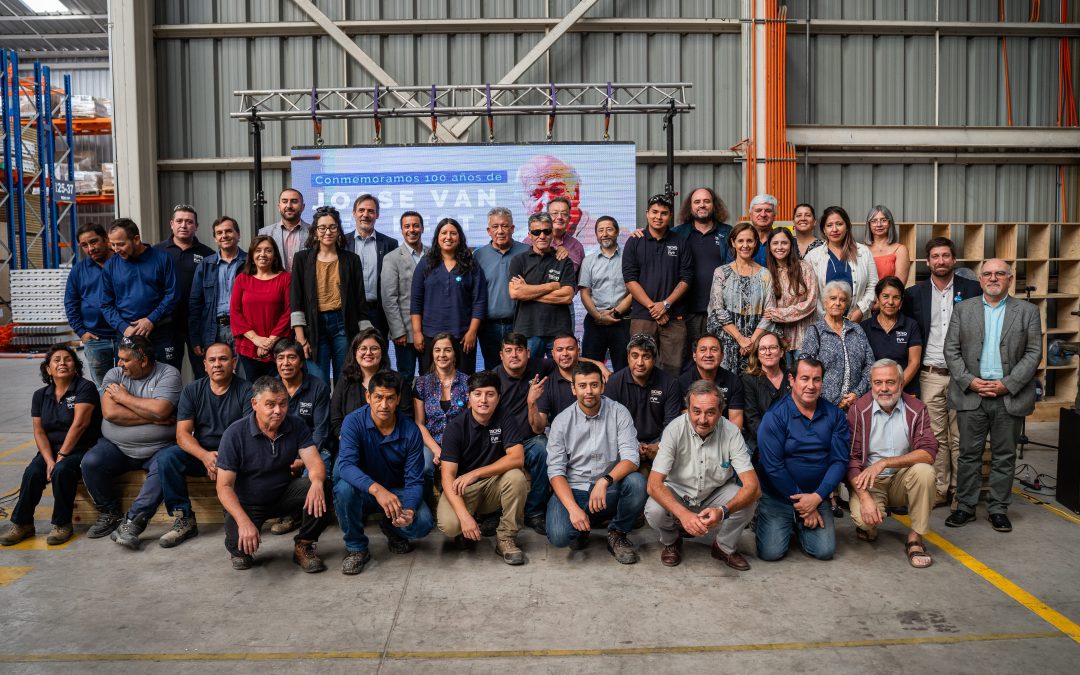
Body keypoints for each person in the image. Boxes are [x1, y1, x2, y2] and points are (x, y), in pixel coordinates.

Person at [944, 259, 1042, 533]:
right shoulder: (963, 310)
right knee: (968, 454)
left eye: (1000, 273)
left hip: (1007, 396)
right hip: (971, 394)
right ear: (980, 279)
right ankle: (965, 506)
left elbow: (1034, 353)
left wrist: (1007, 384)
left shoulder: (1028, 311)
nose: (993, 278)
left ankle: (998, 509)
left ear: (1010, 279)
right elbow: (950, 350)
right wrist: (970, 381)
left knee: (1004, 455)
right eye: (987, 274)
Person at [216, 376, 331, 572]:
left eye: (283, 404)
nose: (278, 411)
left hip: (282, 495)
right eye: (270, 404)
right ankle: (240, 543)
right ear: (254, 403)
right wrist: (243, 522)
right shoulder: (234, 434)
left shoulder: (296, 425)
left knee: (323, 487)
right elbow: (223, 486)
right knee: (240, 551)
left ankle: (304, 545)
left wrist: (318, 483)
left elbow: (315, 463)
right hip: (248, 503)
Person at [645, 380, 760, 570]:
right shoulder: (674, 429)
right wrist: (683, 515)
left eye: (710, 412)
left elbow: (753, 487)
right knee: (653, 509)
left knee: (749, 501)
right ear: (688, 409)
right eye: (696, 411)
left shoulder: (731, 432)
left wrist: (723, 511)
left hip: (716, 493)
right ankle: (671, 541)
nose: (702, 419)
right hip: (679, 492)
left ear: (721, 410)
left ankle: (723, 546)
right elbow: (653, 485)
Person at [902, 237, 981, 507]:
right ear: (928, 262)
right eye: (935, 256)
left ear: (954, 259)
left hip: (964, 375)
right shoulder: (914, 294)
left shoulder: (973, 289)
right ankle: (939, 488)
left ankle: (960, 491)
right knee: (936, 437)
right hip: (930, 373)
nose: (941, 261)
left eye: (946, 256)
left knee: (961, 437)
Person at [149, 343, 253, 549]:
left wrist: (224, 460)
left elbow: (247, 436)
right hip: (203, 455)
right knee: (167, 458)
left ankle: (234, 514)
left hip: (236, 456)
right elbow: (182, 434)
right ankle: (184, 519)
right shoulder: (192, 390)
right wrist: (205, 456)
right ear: (204, 364)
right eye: (212, 360)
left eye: (223, 359)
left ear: (234, 362)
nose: (217, 364)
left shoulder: (247, 390)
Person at [79, 336, 182, 540]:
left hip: (158, 447)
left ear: (142, 359)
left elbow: (161, 409)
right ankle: (110, 512)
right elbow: (111, 414)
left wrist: (124, 398)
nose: (119, 364)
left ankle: (135, 520)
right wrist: (153, 417)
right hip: (116, 446)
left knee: (166, 466)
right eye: (120, 359)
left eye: (125, 360)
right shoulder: (114, 374)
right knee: (91, 463)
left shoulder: (168, 374)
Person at [334, 370, 434, 574]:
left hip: (396, 491)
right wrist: (377, 490)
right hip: (365, 491)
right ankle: (356, 548)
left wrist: (409, 510)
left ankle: (392, 526)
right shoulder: (353, 422)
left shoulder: (410, 430)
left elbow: (414, 481)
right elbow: (345, 465)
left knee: (422, 523)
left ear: (398, 400)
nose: (384, 405)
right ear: (368, 397)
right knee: (343, 489)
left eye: (390, 398)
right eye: (378, 397)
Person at [0, 346, 101, 546]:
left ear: (75, 366)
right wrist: (48, 460)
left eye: (67, 359)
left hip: (81, 447)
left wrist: (61, 455)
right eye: (56, 360)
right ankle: (23, 523)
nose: (62, 363)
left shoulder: (84, 388)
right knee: (32, 472)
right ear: (48, 369)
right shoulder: (40, 395)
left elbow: (80, 424)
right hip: (51, 449)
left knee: (61, 470)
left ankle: (62, 523)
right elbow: (39, 432)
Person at [545, 362, 646, 563]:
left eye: (593, 385)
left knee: (637, 483)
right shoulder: (562, 421)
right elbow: (555, 471)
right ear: (573, 389)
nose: (588, 391)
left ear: (602, 386)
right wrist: (573, 508)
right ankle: (583, 523)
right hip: (576, 488)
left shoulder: (619, 412)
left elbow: (631, 458)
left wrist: (604, 481)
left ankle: (617, 532)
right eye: (582, 386)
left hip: (610, 488)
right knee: (559, 537)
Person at [755, 356, 849, 561]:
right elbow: (773, 467)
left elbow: (839, 461)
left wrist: (816, 498)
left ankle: (797, 524)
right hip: (778, 496)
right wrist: (803, 506)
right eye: (804, 378)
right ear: (792, 380)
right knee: (771, 553)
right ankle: (776, 518)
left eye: (816, 380)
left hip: (817, 495)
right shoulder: (775, 416)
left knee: (824, 552)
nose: (811, 385)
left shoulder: (835, 415)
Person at [847, 359, 937, 568]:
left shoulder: (916, 408)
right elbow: (851, 459)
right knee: (864, 520)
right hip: (871, 482)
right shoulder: (859, 410)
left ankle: (915, 538)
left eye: (890, 382)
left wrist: (885, 462)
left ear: (901, 383)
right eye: (878, 383)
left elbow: (929, 452)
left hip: (902, 479)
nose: (884, 389)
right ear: (871, 384)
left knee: (925, 472)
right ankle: (869, 524)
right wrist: (864, 496)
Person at [437, 372, 530, 565]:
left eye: (490, 394)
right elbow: (447, 476)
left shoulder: (505, 417)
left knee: (516, 477)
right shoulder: (456, 427)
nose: (483, 400)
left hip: (492, 484)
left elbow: (517, 458)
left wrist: (476, 473)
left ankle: (506, 538)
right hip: (463, 489)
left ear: (498, 397)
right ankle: (467, 526)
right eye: (478, 394)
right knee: (450, 525)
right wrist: (464, 518)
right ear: (469, 397)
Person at [290, 205, 366, 383]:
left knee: (345, 377)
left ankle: (341, 411)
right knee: (318, 378)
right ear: (315, 232)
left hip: (343, 323)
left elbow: (360, 301)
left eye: (333, 227)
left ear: (339, 231)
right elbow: (296, 300)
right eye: (322, 228)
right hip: (314, 326)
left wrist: (364, 336)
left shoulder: (351, 260)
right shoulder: (302, 259)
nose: (328, 232)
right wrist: (301, 339)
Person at [492, 332, 556, 536]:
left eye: (519, 350)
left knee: (544, 448)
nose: (514, 355)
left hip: (529, 439)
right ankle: (491, 513)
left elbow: (568, 359)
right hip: (502, 442)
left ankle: (534, 511)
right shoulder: (493, 378)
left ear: (528, 353)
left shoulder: (540, 367)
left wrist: (598, 365)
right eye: (508, 351)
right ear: (501, 355)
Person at [622, 194, 693, 377]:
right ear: (647, 213)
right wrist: (654, 308)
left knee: (673, 369)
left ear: (670, 215)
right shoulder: (634, 241)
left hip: (674, 317)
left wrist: (666, 305)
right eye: (654, 212)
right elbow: (630, 280)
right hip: (642, 317)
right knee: (640, 367)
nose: (658, 217)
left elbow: (686, 278)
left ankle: (671, 405)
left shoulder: (680, 242)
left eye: (664, 213)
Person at [410, 217, 487, 374]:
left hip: (463, 336)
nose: (448, 237)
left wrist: (472, 332)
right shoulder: (425, 263)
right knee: (430, 383)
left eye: (453, 233)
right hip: (430, 336)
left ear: (460, 237)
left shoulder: (471, 264)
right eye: (444, 233)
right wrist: (417, 332)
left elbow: (479, 301)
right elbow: (416, 301)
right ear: (437, 237)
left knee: (464, 383)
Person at [100, 219, 180, 369]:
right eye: (113, 244)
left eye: (121, 244)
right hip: (128, 334)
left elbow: (172, 294)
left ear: (136, 239)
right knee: (130, 380)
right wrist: (124, 328)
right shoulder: (110, 266)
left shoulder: (162, 259)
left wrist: (151, 319)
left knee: (167, 378)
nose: (116, 249)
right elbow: (106, 304)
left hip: (161, 332)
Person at [604, 334, 681, 472]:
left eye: (646, 357)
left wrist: (660, 445)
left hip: (661, 444)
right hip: (625, 444)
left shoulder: (670, 383)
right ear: (628, 358)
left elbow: (672, 424)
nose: (640, 362)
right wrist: (633, 444)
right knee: (638, 483)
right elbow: (610, 424)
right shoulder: (614, 383)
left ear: (654, 359)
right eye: (635, 356)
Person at [707, 222, 777, 374]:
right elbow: (717, 309)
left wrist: (751, 341)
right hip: (727, 341)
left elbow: (769, 312)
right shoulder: (721, 272)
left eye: (749, 241)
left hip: (756, 343)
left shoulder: (765, 274)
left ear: (755, 243)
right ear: (733, 242)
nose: (745, 245)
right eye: (740, 241)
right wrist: (740, 339)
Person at [156, 204, 215, 378]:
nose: (184, 225)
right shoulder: (156, 252)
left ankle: (202, 405)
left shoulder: (208, 254)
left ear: (196, 226)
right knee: (168, 373)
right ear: (171, 224)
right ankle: (170, 406)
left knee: (203, 371)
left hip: (197, 323)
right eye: (179, 221)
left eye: (189, 222)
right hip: (166, 323)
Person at [672, 188, 734, 351]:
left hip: (719, 311)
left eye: (707, 201)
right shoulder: (677, 234)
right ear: (690, 206)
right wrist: (640, 234)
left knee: (719, 357)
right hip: (686, 311)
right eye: (697, 202)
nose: (702, 205)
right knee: (688, 359)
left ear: (714, 205)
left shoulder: (727, 232)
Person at [508, 212, 577, 358]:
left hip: (559, 332)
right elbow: (516, 293)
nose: (542, 236)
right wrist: (550, 286)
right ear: (530, 235)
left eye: (546, 231)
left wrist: (528, 292)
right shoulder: (518, 260)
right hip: (528, 330)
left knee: (563, 375)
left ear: (552, 233)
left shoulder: (564, 260)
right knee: (529, 377)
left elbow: (566, 296)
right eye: (536, 232)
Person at [799, 281, 875, 411]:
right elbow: (806, 371)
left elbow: (870, 365)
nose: (837, 303)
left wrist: (857, 393)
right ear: (825, 302)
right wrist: (834, 400)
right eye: (833, 298)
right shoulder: (815, 331)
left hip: (855, 406)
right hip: (824, 407)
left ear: (847, 305)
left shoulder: (857, 329)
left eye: (843, 300)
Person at [473, 207, 530, 369]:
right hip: (489, 327)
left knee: (520, 369)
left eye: (505, 226)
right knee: (493, 370)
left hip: (520, 324)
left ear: (512, 229)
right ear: (488, 231)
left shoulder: (527, 252)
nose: (500, 231)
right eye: (495, 227)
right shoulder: (478, 256)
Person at [230, 235, 292, 383]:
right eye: (258, 250)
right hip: (248, 347)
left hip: (279, 348)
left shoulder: (285, 278)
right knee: (252, 394)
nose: (262, 254)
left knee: (278, 392)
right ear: (251, 255)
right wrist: (256, 340)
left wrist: (270, 342)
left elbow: (289, 312)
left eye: (268, 250)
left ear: (275, 255)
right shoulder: (242, 279)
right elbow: (235, 312)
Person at [65, 223, 117, 388]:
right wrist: (81, 332)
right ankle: (108, 415)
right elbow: (71, 304)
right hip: (96, 339)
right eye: (84, 245)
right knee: (103, 386)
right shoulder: (78, 271)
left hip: (125, 335)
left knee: (131, 382)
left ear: (105, 239)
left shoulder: (122, 262)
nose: (90, 248)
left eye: (94, 242)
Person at [804, 206, 877, 322]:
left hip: (859, 321)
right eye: (829, 225)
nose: (834, 229)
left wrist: (861, 310)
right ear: (824, 230)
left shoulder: (864, 252)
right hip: (823, 323)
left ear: (847, 226)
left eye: (839, 224)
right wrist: (825, 317)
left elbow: (873, 285)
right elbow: (810, 294)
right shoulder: (812, 257)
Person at [579, 216, 632, 371]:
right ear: (596, 235)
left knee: (623, 368)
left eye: (609, 229)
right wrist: (599, 316)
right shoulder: (588, 261)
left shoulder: (628, 259)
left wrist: (615, 313)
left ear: (616, 232)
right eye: (600, 230)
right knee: (590, 368)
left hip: (622, 320)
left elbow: (633, 291)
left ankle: (620, 396)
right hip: (595, 321)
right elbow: (584, 293)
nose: (605, 234)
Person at [189, 216, 247, 355]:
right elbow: (195, 303)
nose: (224, 236)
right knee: (217, 374)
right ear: (215, 238)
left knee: (244, 375)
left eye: (228, 231)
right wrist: (195, 338)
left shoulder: (250, 263)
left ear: (238, 234)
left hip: (244, 330)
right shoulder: (205, 265)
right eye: (219, 233)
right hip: (213, 331)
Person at [380, 210, 426, 385]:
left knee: (428, 377)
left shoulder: (433, 255)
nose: (411, 230)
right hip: (404, 332)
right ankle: (406, 412)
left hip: (430, 329)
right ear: (401, 230)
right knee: (405, 377)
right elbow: (389, 298)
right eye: (407, 226)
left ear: (422, 228)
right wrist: (398, 331)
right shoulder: (391, 258)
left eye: (415, 225)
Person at [762, 227, 818, 360]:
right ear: (769, 247)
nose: (779, 247)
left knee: (804, 375)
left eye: (784, 243)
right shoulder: (766, 272)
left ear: (791, 245)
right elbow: (765, 308)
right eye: (775, 243)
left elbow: (811, 302)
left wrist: (779, 314)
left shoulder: (804, 268)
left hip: (803, 336)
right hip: (778, 338)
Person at [412, 333, 468, 466]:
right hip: (431, 444)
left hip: (461, 443)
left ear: (455, 354)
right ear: (432, 354)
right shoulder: (421, 384)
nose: (442, 354)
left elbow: (471, 421)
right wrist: (436, 450)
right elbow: (419, 424)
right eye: (437, 350)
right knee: (425, 466)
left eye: (447, 350)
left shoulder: (469, 383)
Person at [330, 328, 394, 442]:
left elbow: (405, 416)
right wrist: (347, 439)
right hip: (351, 443)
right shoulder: (345, 380)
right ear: (355, 353)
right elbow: (335, 417)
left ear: (382, 352)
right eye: (363, 348)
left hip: (387, 443)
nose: (368, 353)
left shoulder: (395, 380)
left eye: (374, 348)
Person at [348, 194, 398, 339]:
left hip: (378, 313)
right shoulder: (342, 242)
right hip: (350, 312)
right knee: (351, 357)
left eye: (371, 211)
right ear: (354, 213)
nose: (365, 215)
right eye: (361, 210)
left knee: (378, 356)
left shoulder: (390, 244)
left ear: (377, 215)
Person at [861, 277, 922, 395]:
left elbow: (914, 362)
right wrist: (879, 389)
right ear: (877, 298)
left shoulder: (911, 326)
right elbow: (862, 365)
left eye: (896, 297)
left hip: (905, 390)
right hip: (873, 392)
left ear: (901, 301)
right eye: (885, 296)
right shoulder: (864, 327)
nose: (890, 302)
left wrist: (897, 387)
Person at [518, 155, 593, 243]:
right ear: (525, 203)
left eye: (556, 190)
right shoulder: (519, 240)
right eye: (536, 194)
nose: (547, 201)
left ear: (576, 192)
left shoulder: (598, 235)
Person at [677, 334, 745, 429]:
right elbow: (689, 423)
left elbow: (735, 423)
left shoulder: (733, 381)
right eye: (703, 350)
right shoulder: (683, 381)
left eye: (714, 350)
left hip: (725, 436)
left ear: (722, 356)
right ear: (694, 356)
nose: (708, 355)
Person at [740, 331, 789, 456]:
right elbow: (752, 419)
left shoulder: (792, 377)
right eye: (762, 349)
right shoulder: (748, 380)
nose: (767, 353)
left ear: (781, 352)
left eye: (773, 347)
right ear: (757, 354)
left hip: (792, 439)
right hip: (763, 441)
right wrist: (775, 441)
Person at [528, 334, 587, 435]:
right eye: (559, 350)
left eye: (570, 349)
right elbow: (538, 428)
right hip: (564, 441)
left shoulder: (593, 375)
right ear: (553, 354)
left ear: (578, 351)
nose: (565, 353)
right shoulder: (547, 384)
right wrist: (531, 403)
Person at [523, 196, 586, 269]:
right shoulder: (530, 241)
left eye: (564, 214)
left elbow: (581, 278)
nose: (559, 217)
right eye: (555, 213)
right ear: (547, 217)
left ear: (569, 219)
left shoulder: (577, 247)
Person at [258, 187, 311, 272]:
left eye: (294, 201)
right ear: (279, 206)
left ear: (302, 207)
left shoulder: (314, 232)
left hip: (304, 284)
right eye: (284, 201)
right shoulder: (265, 233)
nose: (289, 206)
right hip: (276, 283)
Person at [864, 205, 910, 285]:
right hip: (866, 297)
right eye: (874, 221)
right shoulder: (862, 250)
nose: (879, 224)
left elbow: (899, 285)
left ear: (890, 223)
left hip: (890, 296)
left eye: (883, 220)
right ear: (869, 225)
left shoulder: (900, 250)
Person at [747, 194, 778, 266]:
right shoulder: (739, 242)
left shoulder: (786, 241)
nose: (763, 214)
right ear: (750, 215)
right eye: (758, 210)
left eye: (768, 211)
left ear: (774, 216)